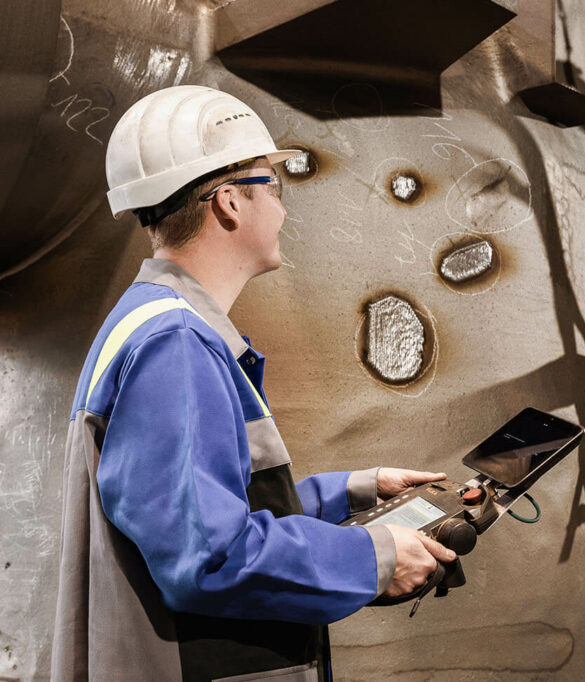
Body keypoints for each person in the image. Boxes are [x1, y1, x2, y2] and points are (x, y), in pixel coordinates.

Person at [51, 85, 455, 681]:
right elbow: (209, 558)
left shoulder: (151, 322)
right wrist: (373, 556)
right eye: (275, 186)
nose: (285, 209)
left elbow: (193, 508)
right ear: (229, 204)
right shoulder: (175, 345)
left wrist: (349, 492)